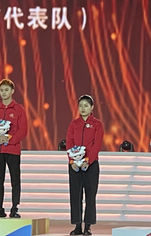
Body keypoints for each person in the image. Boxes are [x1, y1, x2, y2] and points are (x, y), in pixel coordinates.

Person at [0, 78, 28, 218]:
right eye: (1, 90)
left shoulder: (19, 109)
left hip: (13, 150)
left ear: (12, 91)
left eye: (6, 90)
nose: (4, 93)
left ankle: (15, 208)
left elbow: (23, 130)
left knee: (15, 180)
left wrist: (10, 139)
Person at [66, 95, 103, 236]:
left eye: (86, 105)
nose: (83, 108)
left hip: (91, 165)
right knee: (75, 196)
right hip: (75, 165)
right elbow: (69, 142)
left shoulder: (97, 124)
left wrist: (88, 160)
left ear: (92, 107)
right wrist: (72, 160)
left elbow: (97, 144)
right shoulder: (74, 124)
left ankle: (88, 226)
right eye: (81, 105)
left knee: (90, 195)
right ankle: (77, 226)